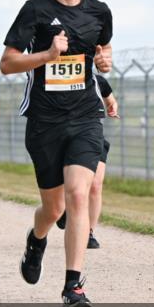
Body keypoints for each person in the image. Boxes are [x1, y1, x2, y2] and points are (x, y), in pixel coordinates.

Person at [0, 0, 113, 307]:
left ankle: (73, 286)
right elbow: (7, 63)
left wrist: (103, 64)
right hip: (45, 120)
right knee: (52, 209)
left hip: (85, 115)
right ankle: (36, 240)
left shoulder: (100, 12)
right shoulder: (34, 10)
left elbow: (103, 50)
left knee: (78, 195)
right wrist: (48, 54)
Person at [55, 73, 119, 249]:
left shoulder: (98, 81)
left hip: (92, 137)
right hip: (65, 136)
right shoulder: (63, 77)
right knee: (69, 185)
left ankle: (89, 232)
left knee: (96, 185)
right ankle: (64, 208)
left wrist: (112, 107)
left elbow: (110, 100)